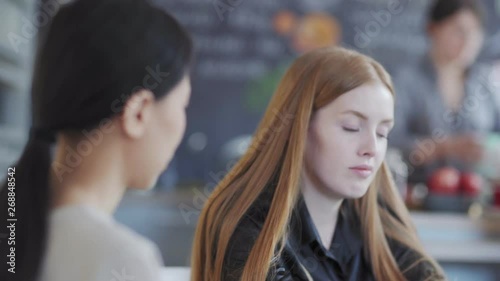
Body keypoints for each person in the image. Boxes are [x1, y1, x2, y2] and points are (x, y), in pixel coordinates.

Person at [190, 47, 445, 281]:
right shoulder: (250, 228)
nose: (372, 149)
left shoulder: (378, 223)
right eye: (351, 127)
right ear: (300, 127)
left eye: (382, 133)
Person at [0, 0, 193, 280]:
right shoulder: (123, 260)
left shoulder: (15, 229)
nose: (182, 125)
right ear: (138, 113)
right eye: (183, 104)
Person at [389, 0, 500, 183]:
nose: (468, 41)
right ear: (432, 29)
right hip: (415, 191)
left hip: (475, 194)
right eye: (458, 30)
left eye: (475, 32)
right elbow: (389, 143)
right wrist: (443, 148)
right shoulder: (405, 81)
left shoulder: (484, 84)